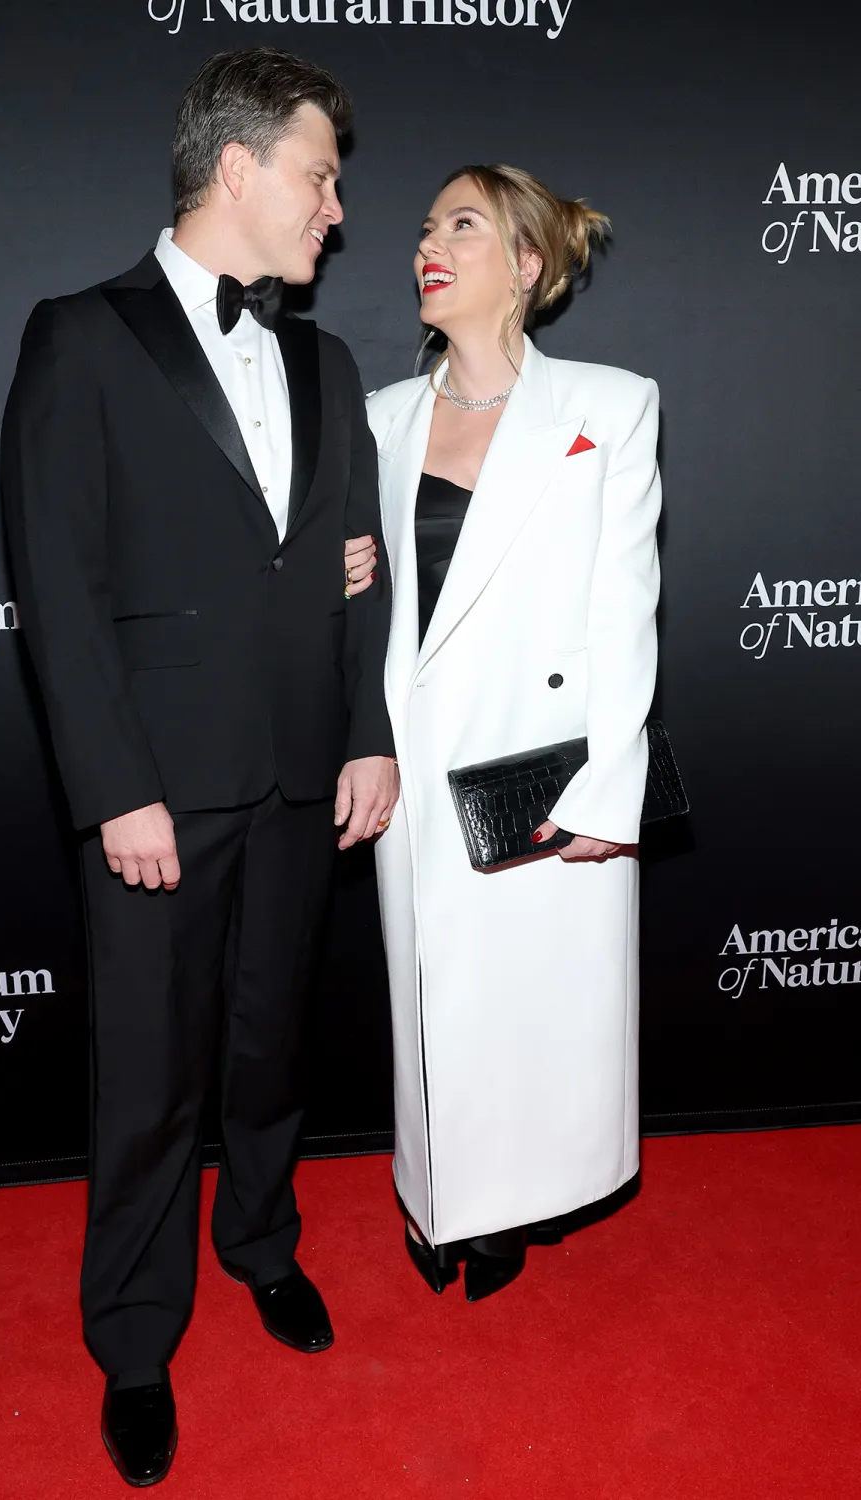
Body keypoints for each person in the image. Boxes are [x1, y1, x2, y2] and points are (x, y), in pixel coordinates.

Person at [1, 49, 397, 1487]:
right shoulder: (81, 337)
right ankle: (133, 1340)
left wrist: (367, 731)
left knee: (269, 1044)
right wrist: (116, 788)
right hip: (157, 791)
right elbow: (58, 582)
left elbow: (360, 572)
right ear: (237, 168)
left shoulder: (327, 362)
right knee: (150, 1077)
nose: (337, 211)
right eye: (318, 177)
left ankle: (262, 1243)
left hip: (300, 774)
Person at [355, 163, 660, 1303]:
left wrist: (608, 793)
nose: (428, 246)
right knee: (434, 1000)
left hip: (543, 765)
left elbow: (623, 611)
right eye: (426, 227)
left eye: (463, 226)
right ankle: (439, 1200)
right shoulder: (378, 418)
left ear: (527, 264)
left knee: (536, 1001)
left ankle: (516, 1203)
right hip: (416, 762)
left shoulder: (609, 406)